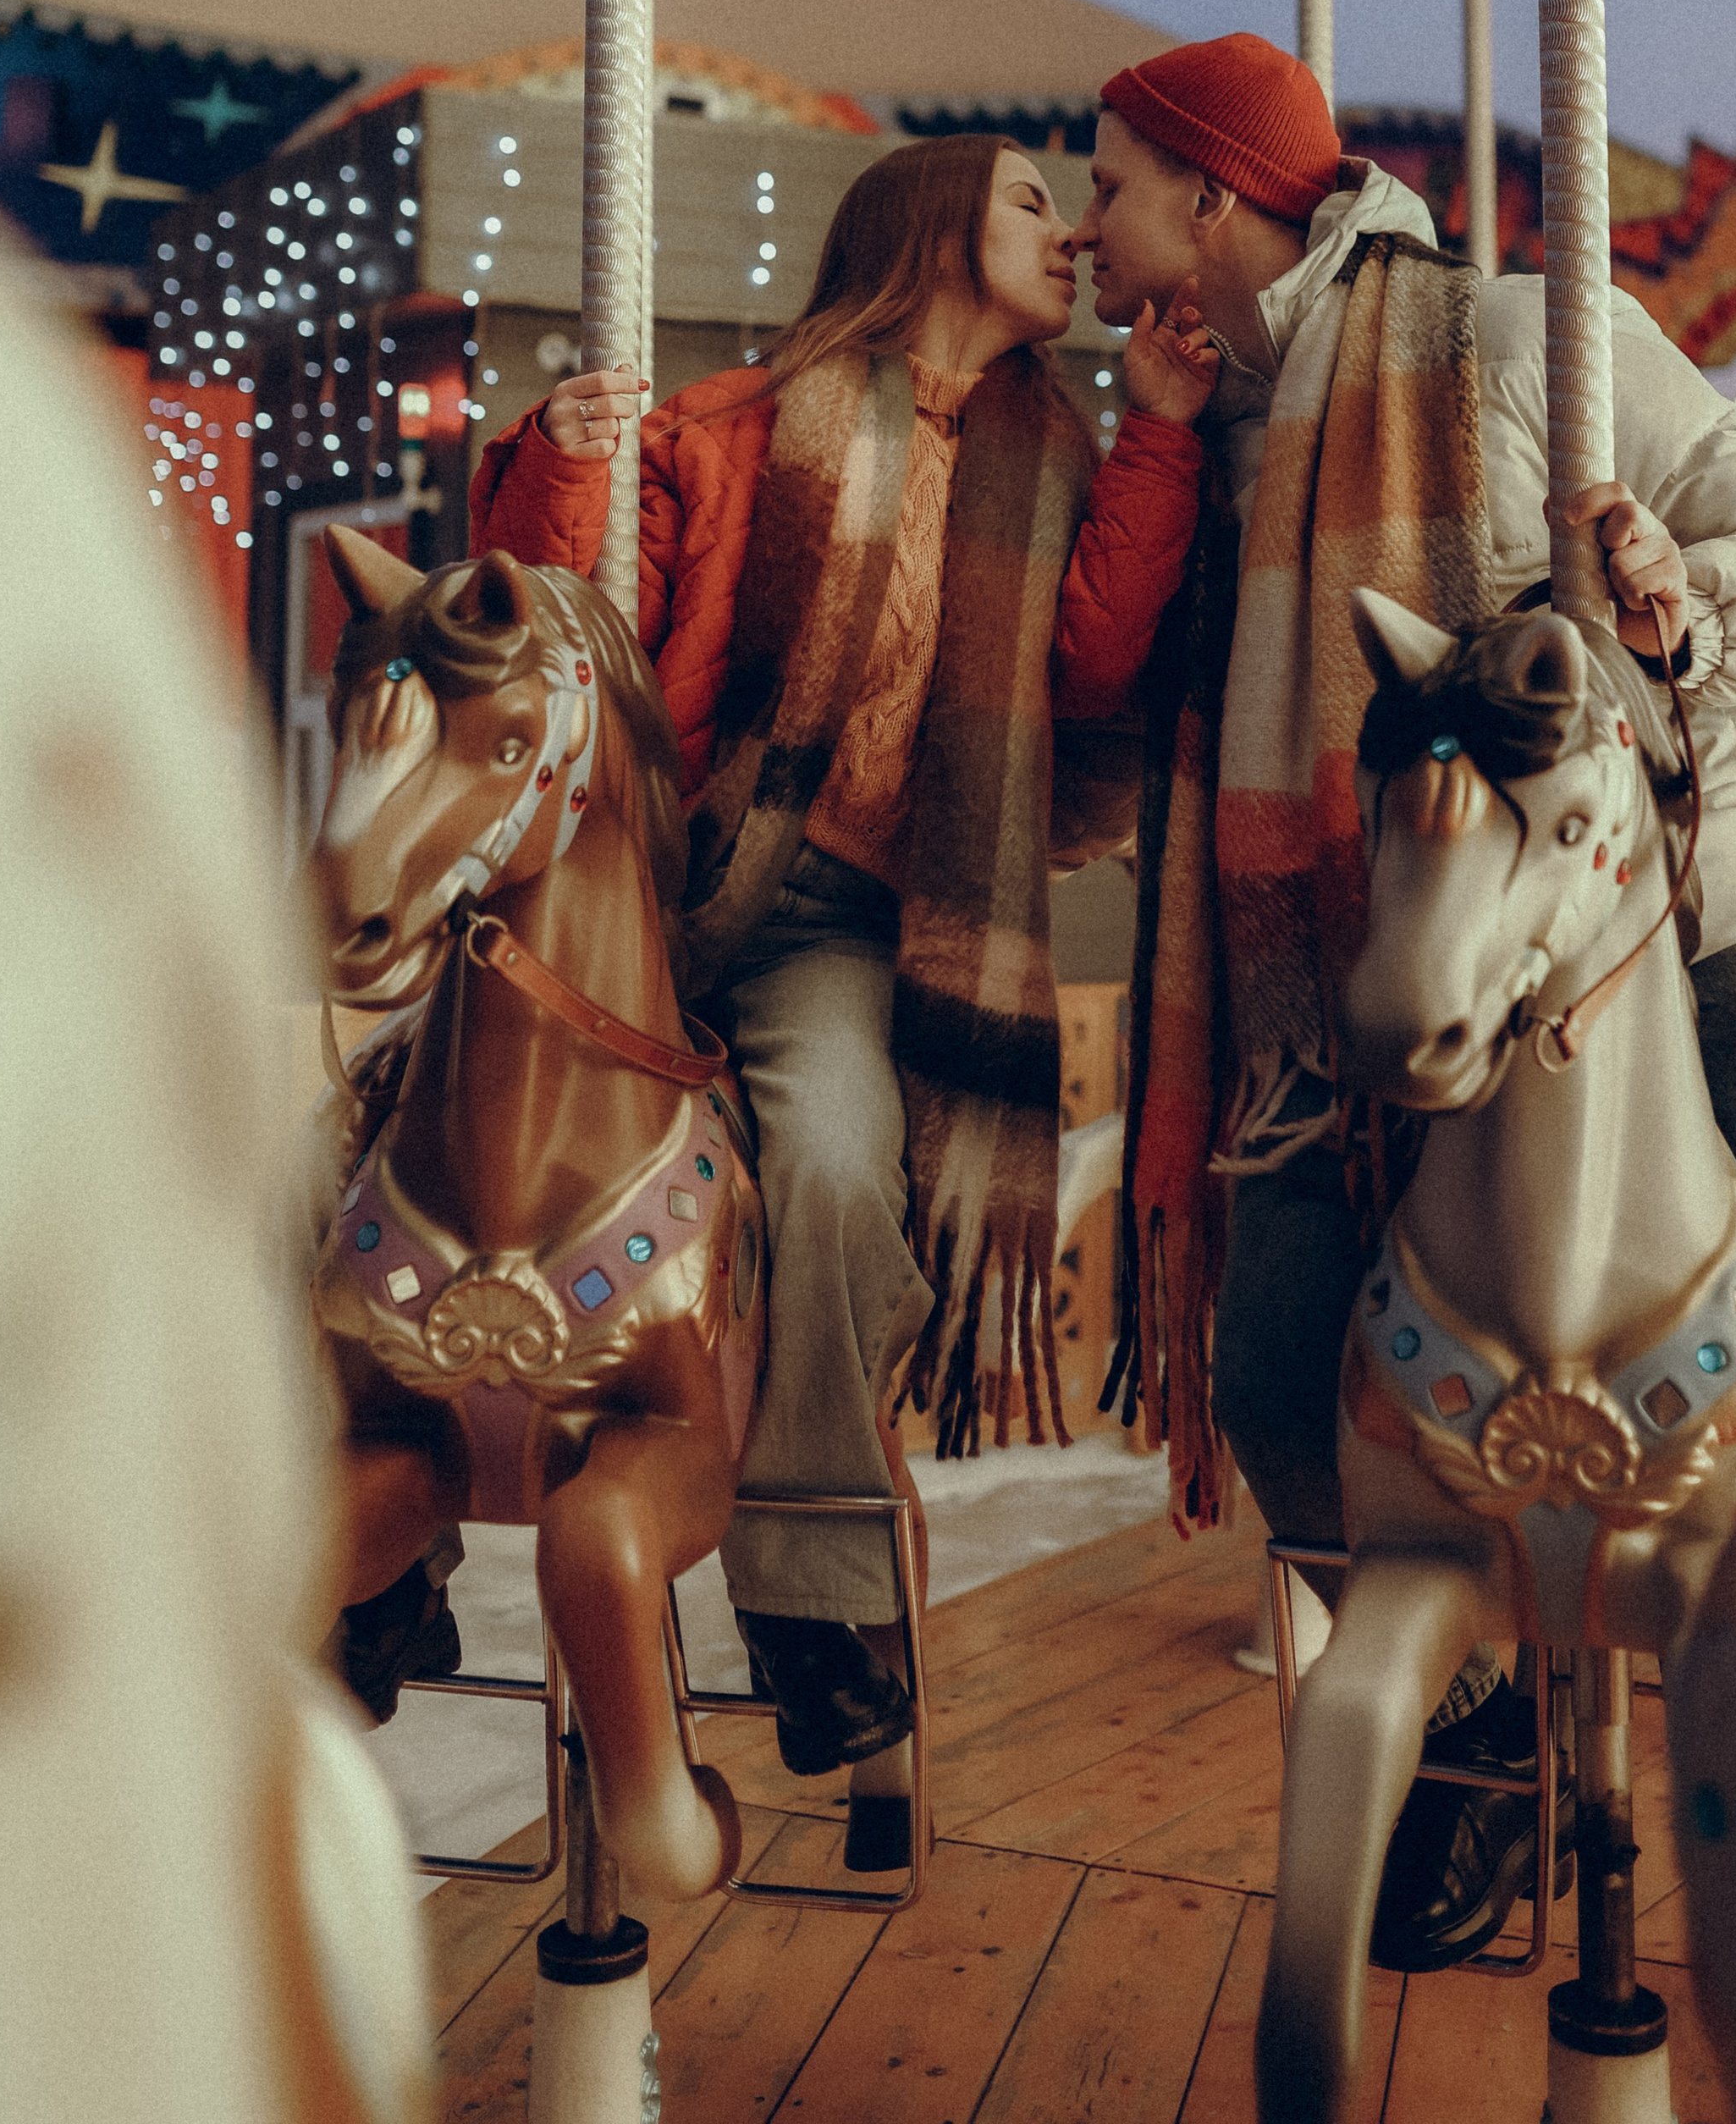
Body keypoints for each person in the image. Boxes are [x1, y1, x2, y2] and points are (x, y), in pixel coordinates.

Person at [1073, 30, 1736, 1970]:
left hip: (1650, 918)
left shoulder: (1507, 342)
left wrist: (1681, 594)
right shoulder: (1211, 429)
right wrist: (1150, 441)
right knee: (1264, 1376)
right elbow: (1104, 718)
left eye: (1109, 187)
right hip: (1364, 961)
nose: (1088, 224)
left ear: (1212, 202)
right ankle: (1482, 1743)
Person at [468, 133, 1215, 1790]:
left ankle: (805, 1600)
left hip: (852, 921)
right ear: (933, 229)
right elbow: (570, 608)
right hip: (674, 876)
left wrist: (1159, 432)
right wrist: (557, 457)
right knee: (423, 1066)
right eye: (1033, 203)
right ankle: (385, 1548)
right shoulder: (734, 426)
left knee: (825, 1164)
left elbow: (1097, 655)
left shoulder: (1049, 453)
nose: (1068, 236)